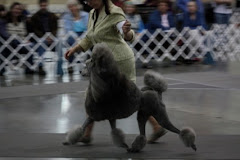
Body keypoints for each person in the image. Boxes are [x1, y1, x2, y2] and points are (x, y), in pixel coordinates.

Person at [64, 0, 166, 144]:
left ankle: (156, 126)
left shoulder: (115, 12)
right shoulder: (92, 14)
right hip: (103, 62)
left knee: (130, 98)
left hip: (120, 60)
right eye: (86, 0)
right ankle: (87, 134)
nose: (88, 3)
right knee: (93, 96)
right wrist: (74, 49)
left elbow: (127, 34)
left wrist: (127, 31)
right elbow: (89, 38)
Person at [5, 2, 35, 74]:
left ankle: (29, 69)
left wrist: (29, 39)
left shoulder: (24, 20)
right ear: (11, 9)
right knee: (16, 42)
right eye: (16, 9)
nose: (17, 11)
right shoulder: (6, 20)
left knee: (31, 46)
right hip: (10, 43)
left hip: (23, 42)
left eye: (19, 9)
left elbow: (30, 32)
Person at [31, 0, 58, 75]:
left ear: (47, 5)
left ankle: (61, 67)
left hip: (52, 37)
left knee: (60, 43)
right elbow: (35, 30)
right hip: (40, 38)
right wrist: (45, 37)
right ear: (39, 6)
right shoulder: (34, 17)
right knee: (41, 43)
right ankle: (40, 66)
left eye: (44, 5)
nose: (43, 7)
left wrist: (51, 36)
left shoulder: (53, 16)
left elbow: (55, 28)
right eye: (42, 6)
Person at [62, 0, 89, 73]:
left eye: (73, 6)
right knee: (70, 41)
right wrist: (77, 38)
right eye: (70, 7)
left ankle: (89, 63)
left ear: (78, 6)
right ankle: (70, 63)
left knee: (90, 40)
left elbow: (88, 28)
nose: (72, 8)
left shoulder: (86, 15)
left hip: (84, 34)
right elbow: (68, 30)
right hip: (72, 35)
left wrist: (81, 38)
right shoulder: (66, 17)